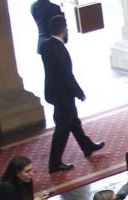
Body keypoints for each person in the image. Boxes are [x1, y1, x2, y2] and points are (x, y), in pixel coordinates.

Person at [39, 14, 104, 172]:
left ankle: (87, 146)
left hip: (53, 92)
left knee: (73, 121)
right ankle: (54, 163)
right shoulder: (60, 49)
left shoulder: (46, 45)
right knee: (62, 128)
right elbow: (66, 74)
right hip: (63, 94)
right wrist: (79, 92)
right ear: (64, 30)